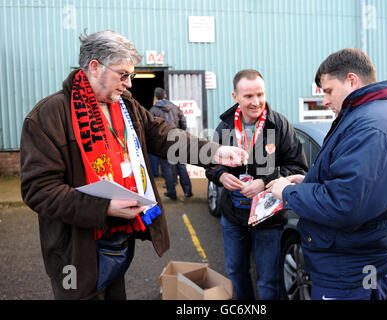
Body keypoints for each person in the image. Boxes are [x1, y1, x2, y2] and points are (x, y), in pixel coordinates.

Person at [19, 30, 247, 300]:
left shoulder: (125, 105)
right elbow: (39, 190)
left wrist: (214, 152)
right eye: (123, 74)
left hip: (120, 237)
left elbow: (163, 136)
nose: (129, 83)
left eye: (131, 75)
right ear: (94, 68)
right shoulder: (47, 116)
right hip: (76, 250)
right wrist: (104, 207)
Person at [267, 48, 387, 300]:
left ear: (352, 80)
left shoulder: (370, 127)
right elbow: (358, 186)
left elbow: (344, 203)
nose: (325, 100)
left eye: (328, 91)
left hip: (348, 268)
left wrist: (287, 192)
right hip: (357, 260)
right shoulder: (370, 116)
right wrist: (308, 182)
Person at [206, 69, 308, 300]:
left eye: (260, 94)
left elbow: (299, 168)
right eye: (249, 96)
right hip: (233, 217)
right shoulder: (225, 127)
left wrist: (265, 182)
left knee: (268, 279)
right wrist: (221, 176)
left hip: (268, 219)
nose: (256, 102)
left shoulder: (279, 125)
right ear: (235, 97)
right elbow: (211, 165)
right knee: (236, 272)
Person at [150, 87, 193, 200]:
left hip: (164, 142)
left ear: (155, 97)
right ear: (165, 96)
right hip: (178, 139)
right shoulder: (175, 108)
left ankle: (171, 193)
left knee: (167, 168)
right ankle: (188, 191)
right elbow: (183, 122)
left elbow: (150, 128)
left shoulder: (153, 110)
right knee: (181, 166)